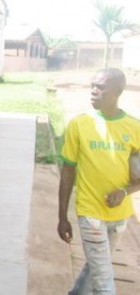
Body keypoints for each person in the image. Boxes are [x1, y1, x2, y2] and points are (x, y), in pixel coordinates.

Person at [58, 68, 140, 294]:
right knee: (104, 282)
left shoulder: (135, 128)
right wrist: (62, 216)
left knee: (95, 268)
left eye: (101, 87)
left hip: (119, 215)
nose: (94, 91)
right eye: (92, 85)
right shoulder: (79, 124)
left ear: (118, 92)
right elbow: (67, 171)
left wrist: (125, 192)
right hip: (90, 212)